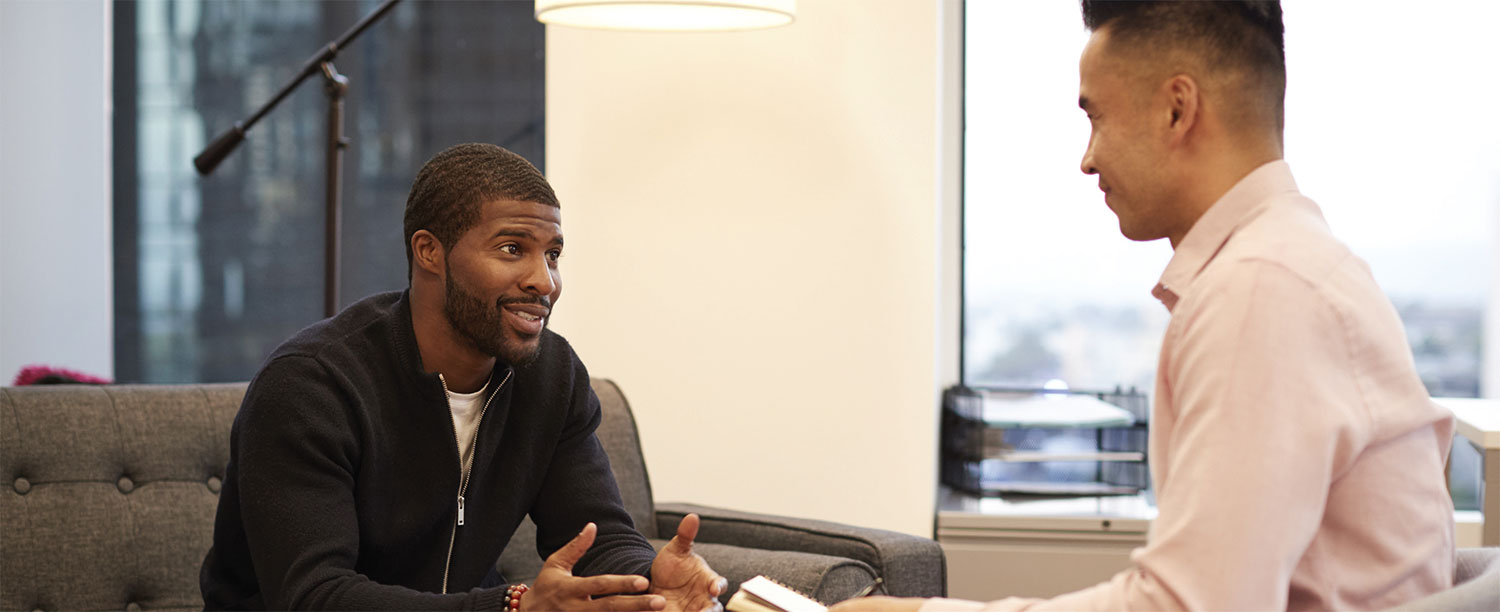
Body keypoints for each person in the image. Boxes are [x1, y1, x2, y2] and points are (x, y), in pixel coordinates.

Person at [833, 1, 1455, 610]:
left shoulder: (1262, 290)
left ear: (1177, 109)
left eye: (1096, 117)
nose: (1087, 158)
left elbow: (1193, 605)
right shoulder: (1288, 264)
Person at [200, 143, 726, 611]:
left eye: (553, 254)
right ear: (429, 252)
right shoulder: (312, 387)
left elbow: (598, 535)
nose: (544, 281)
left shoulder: (551, 376)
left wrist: (649, 580)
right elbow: (315, 596)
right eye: (512, 249)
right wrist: (512, 606)